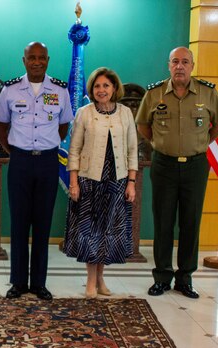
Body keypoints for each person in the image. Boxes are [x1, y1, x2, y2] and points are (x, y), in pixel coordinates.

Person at [136, 47, 218, 299]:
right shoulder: (154, 94)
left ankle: (185, 279)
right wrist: (160, 144)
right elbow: (143, 125)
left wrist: (200, 143)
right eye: (175, 61)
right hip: (164, 165)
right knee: (163, 221)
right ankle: (162, 277)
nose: (180, 66)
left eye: (185, 62)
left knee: (190, 222)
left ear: (192, 66)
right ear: (168, 65)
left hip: (196, 166)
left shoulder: (208, 93)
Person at [0, 42, 74, 301]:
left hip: (48, 162)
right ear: (24, 59)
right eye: (32, 58)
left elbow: (63, 127)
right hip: (20, 162)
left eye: (41, 58)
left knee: (42, 224)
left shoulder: (60, 90)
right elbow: (0, 125)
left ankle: (39, 283)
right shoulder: (10, 89)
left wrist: (45, 145)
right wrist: (16, 150)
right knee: (19, 223)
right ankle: (18, 282)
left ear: (48, 60)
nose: (37, 62)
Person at [63, 67, 138, 299]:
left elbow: (133, 149)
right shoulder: (84, 113)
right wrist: (73, 183)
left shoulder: (125, 113)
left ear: (114, 88)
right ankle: (90, 281)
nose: (101, 90)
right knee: (90, 233)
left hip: (117, 180)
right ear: (92, 89)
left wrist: (131, 182)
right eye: (97, 86)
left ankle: (101, 278)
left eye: (106, 85)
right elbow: (73, 150)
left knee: (109, 232)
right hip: (89, 180)